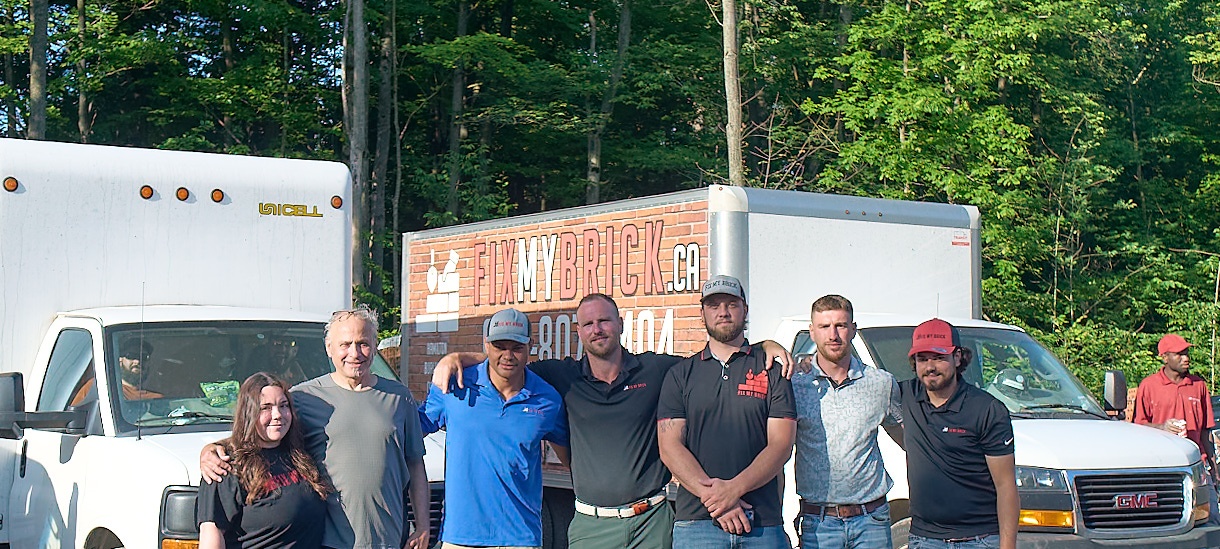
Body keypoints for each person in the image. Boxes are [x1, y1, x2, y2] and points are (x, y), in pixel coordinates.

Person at [429, 293, 793, 549]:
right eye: (588, 323)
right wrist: (459, 356)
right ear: (579, 331)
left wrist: (762, 346)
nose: (597, 328)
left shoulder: (658, 370)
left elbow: (715, 356)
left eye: (604, 320)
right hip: (592, 525)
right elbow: (508, 359)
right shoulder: (561, 377)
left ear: (619, 323)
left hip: (651, 521)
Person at [202, 306, 431, 549]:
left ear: (375, 345)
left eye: (363, 343)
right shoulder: (303, 398)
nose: (354, 353)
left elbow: (415, 464)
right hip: (329, 542)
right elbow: (262, 430)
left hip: (391, 539)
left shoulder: (399, 397)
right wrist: (212, 449)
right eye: (345, 344)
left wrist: (423, 525)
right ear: (329, 349)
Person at [657, 275, 796, 548]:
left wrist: (734, 490)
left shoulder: (772, 369)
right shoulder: (681, 374)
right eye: (714, 305)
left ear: (745, 309)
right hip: (697, 523)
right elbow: (669, 446)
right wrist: (718, 501)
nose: (723, 312)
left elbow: (781, 445)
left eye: (731, 304)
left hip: (763, 524)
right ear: (702, 314)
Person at [421, 307, 570, 549]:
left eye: (517, 347)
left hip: (520, 539)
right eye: (500, 346)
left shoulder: (547, 399)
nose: (508, 355)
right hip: (460, 538)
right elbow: (413, 430)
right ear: (486, 344)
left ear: (530, 346)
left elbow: (572, 460)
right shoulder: (454, 385)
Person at [791, 295, 903, 549]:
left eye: (841, 325)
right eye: (824, 327)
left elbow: (908, 437)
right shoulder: (795, 386)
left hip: (871, 520)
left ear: (853, 329)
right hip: (818, 522)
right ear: (812, 331)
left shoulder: (880, 384)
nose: (833, 334)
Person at [900, 318, 1017, 549]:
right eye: (922, 359)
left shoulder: (987, 409)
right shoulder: (903, 395)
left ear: (958, 357)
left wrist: (1007, 545)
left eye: (939, 357)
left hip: (981, 539)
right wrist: (808, 367)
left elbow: (1006, 486)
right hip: (924, 540)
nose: (930, 366)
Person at [197, 372, 331, 549]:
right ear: (249, 413)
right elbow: (211, 538)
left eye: (283, 406)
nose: (278, 415)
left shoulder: (300, 455)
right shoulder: (226, 466)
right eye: (265, 408)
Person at [1133, 333, 1218, 519]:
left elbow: (1206, 432)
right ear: (1164, 357)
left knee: (1211, 519)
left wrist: (1214, 469)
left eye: (1186, 353)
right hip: (1161, 466)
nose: (1186, 358)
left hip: (1198, 464)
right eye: (1179, 354)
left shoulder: (1199, 385)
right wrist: (1162, 427)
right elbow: (1137, 426)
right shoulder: (1149, 386)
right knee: (1166, 519)